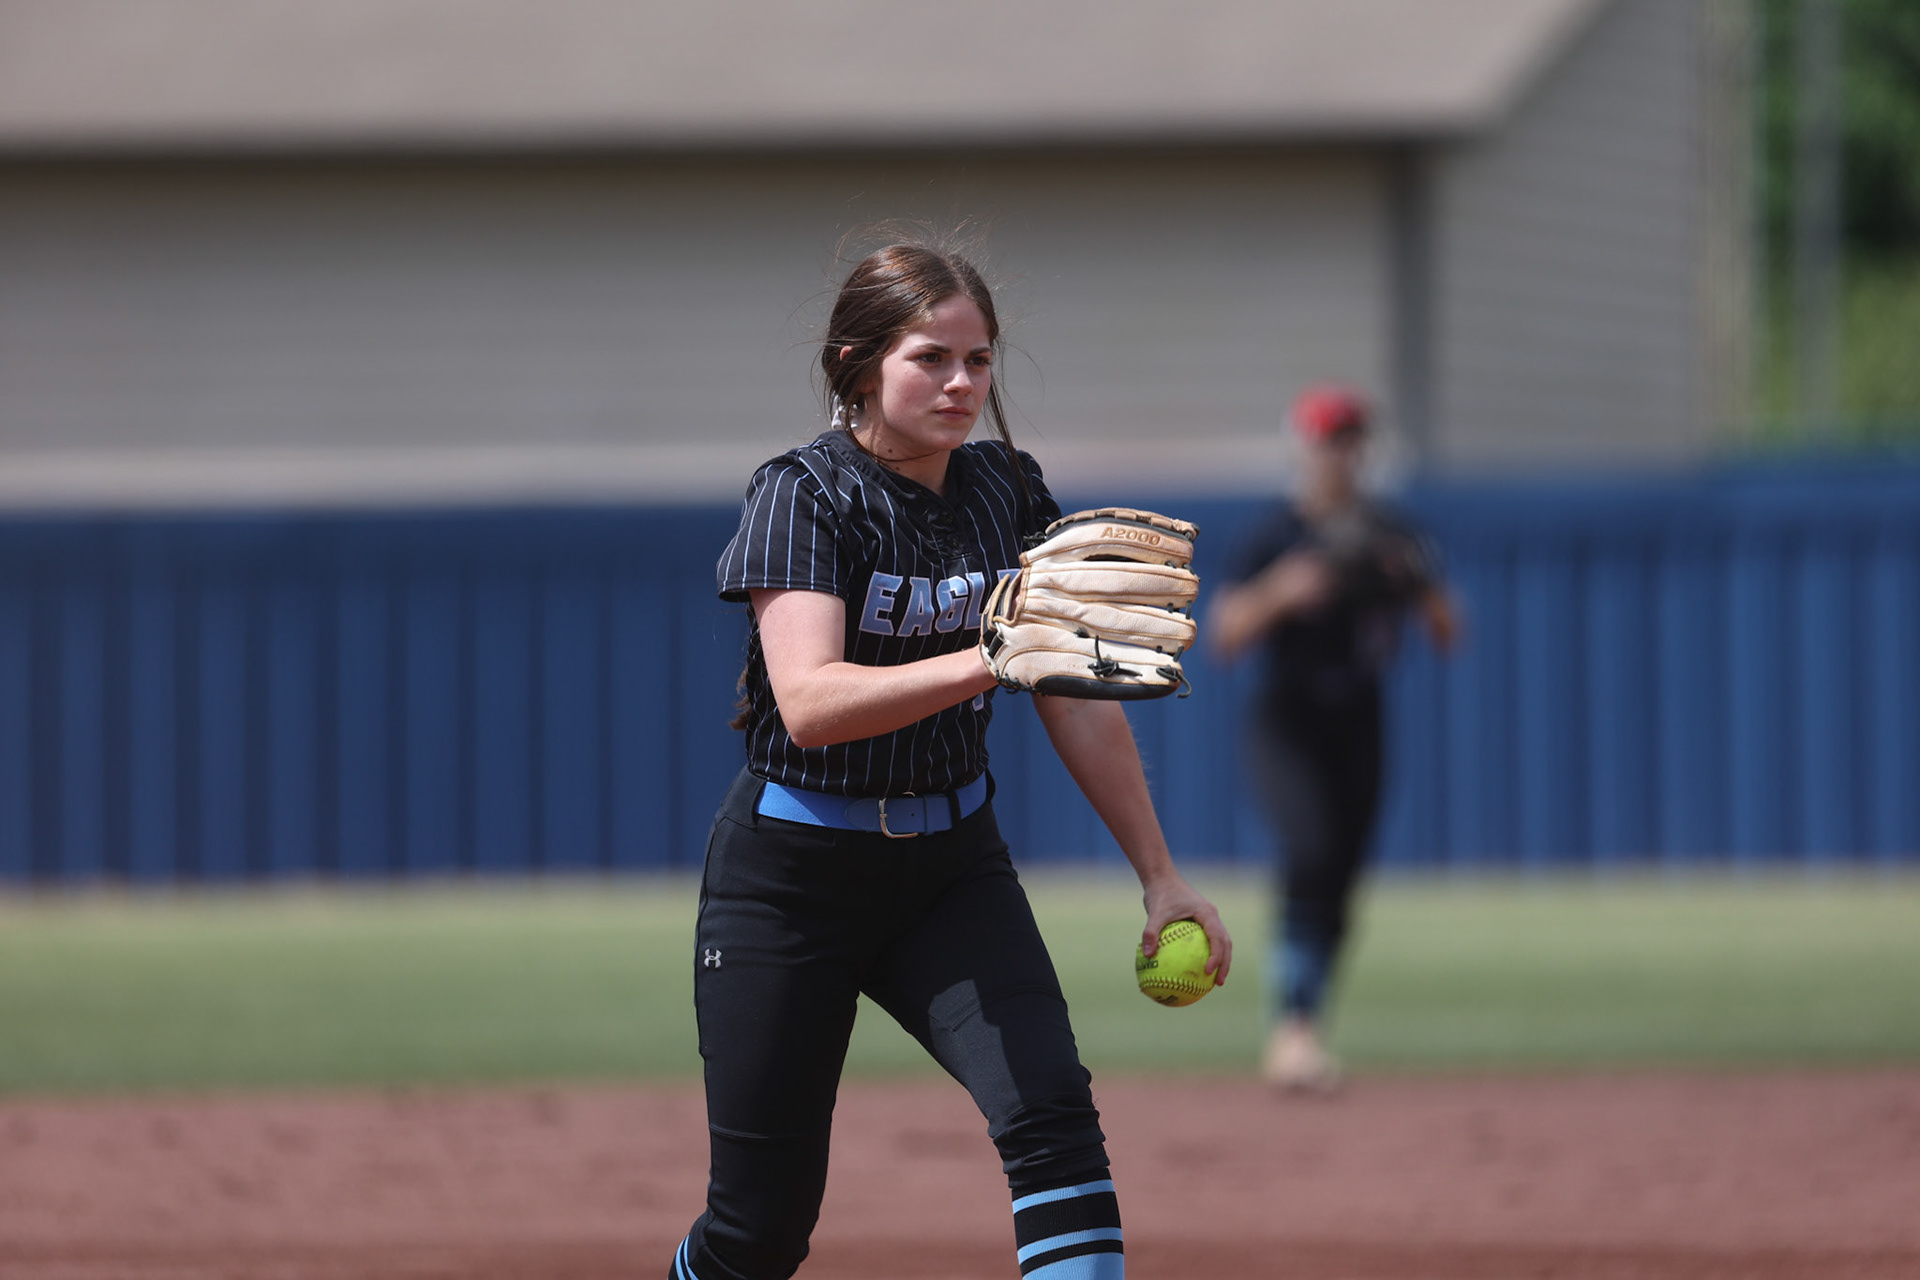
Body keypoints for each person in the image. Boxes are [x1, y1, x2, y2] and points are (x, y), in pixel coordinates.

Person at [674, 240, 1232, 1280]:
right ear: (858, 362)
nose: (963, 382)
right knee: (760, 1227)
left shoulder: (1007, 489)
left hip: (949, 871)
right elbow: (809, 704)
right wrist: (988, 656)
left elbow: (1073, 696)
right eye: (931, 356)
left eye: (979, 359)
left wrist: (1160, 874)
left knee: (1054, 1119)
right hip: (790, 884)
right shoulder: (803, 494)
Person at [1204, 384, 1457, 1094]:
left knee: (1342, 877)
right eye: (1327, 440)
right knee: (1309, 853)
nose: (1340, 454)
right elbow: (1223, 635)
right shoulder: (1276, 534)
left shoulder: (1391, 532)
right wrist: (1281, 592)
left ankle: (1306, 1025)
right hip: (1288, 720)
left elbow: (1447, 631)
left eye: (1350, 440)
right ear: (1303, 447)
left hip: (1361, 718)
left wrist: (1416, 583)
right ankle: (1293, 1029)